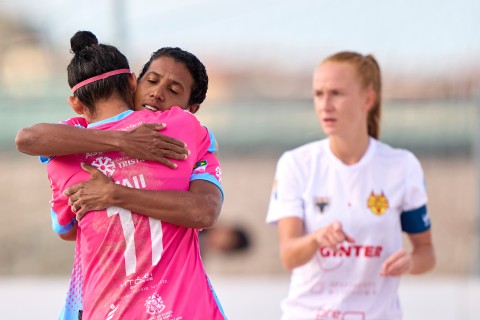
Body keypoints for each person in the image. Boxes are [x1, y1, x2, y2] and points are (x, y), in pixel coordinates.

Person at [16, 43, 224, 319]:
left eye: (173, 90)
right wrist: (123, 142)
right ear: (132, 82)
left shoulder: (63, 153)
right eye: (151, 80)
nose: (157, 93)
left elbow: (66, 230)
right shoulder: (188, 130)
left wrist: (114, 194)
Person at [266, 51, 435, 320]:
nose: (325, 104)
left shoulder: (402, 166)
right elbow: (289, 256)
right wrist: (317, 238)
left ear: (368, 99)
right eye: (319, 94)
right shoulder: (296, 163)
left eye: (337, 93)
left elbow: (426, 253)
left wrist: (411, 262)